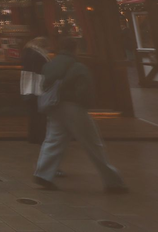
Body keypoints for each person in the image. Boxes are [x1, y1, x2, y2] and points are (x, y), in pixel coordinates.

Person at [33, 37, 127, 193]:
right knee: (93, 144)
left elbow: (43, 84)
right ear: (75, 49)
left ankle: (43, 174)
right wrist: (87, 105)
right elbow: (84, 92)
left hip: (54, 106)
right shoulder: (78, 67)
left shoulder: (50, 65)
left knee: (53, 140)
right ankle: (113, 182)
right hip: (73, 107)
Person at [20, 36, 50, 144]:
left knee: (33, 114)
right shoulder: (38, 55)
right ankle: (39, 136)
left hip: (29, 87)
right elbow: (42, 71)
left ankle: (33, 136)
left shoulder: (28, 53)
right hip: (37, 87)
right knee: (39, 114)